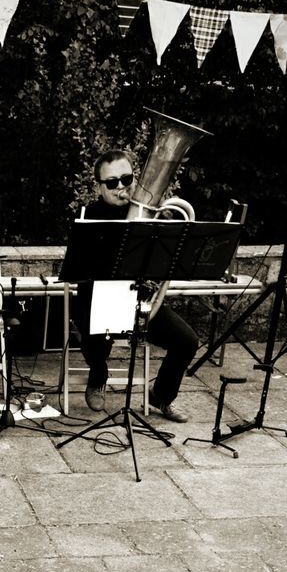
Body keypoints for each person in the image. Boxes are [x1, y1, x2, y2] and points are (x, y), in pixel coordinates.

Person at [74, 148, 199, 423]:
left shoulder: (151, 215)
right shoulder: (90, 217)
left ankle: (161, 396)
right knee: (94, 333)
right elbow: (79, 269)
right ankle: (97, 378)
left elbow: (170, 261)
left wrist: (168, 235)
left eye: (126, 179)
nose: (121, 187)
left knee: (187, 341)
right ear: (99, 187)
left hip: (137, 299)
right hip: (98, 299)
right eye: (111, 183)